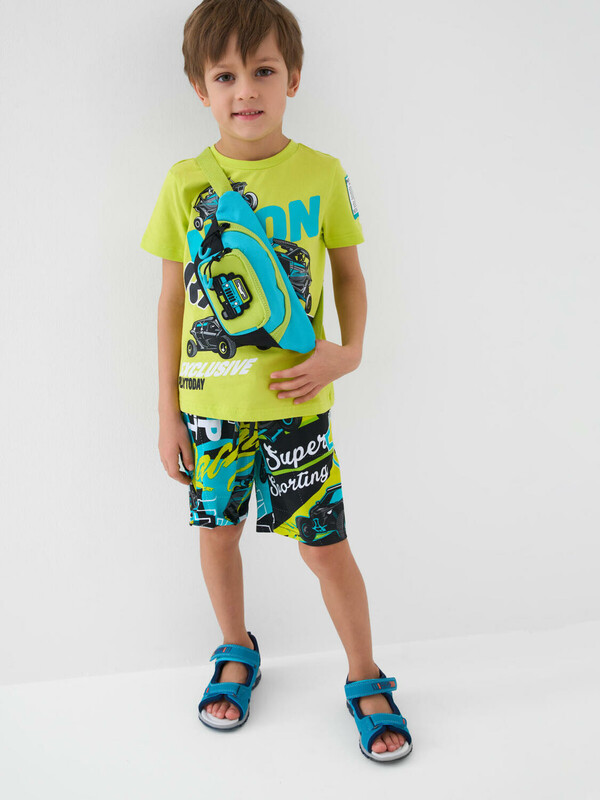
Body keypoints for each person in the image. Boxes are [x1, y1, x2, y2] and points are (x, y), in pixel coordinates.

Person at [140, 0, 412, 762]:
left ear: (292, 77)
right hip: (211, 412)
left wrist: (348, 352)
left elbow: (349, 275)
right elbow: (170, 302)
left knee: (325, 549)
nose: (246, 90)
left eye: (262, 70)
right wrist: (167, 413)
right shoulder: (185, 183)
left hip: (298, 411)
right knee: (217, 535)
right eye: (225, 75)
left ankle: (365, 673)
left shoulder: (322, 173)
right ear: (199, 87)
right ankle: (235, 648)